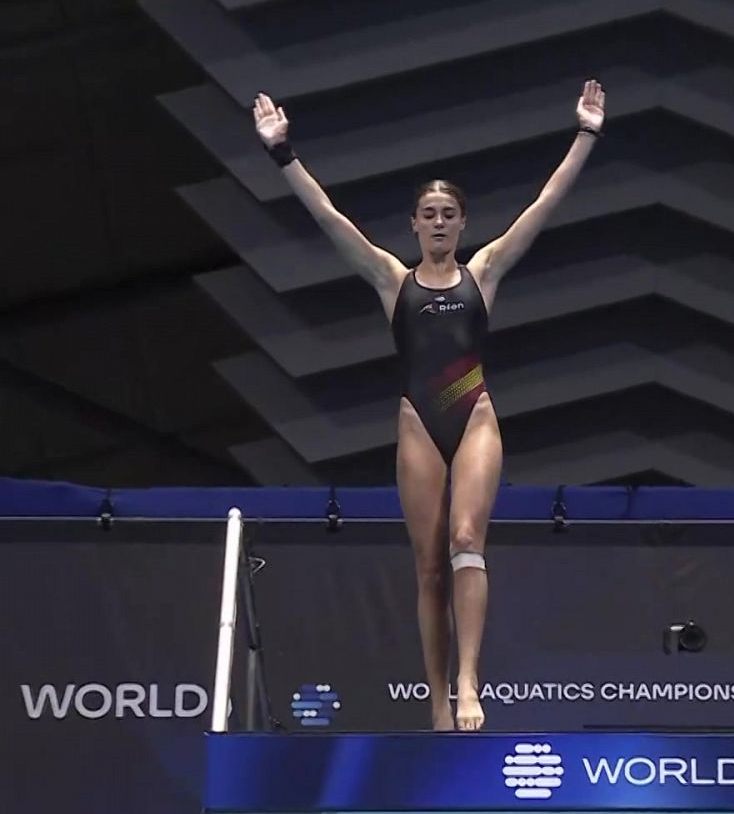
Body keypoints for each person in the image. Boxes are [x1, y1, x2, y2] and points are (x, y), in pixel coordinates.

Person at [252, 80, 605, 730]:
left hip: (472, 415)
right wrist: (282, 153)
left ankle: (470, 684)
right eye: (429, 214)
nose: (439, 222)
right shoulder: (391, 278)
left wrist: (585, 134)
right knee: (427, 566)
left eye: (449, 214)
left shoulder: (486, 271)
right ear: (414, 225)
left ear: (463, 223)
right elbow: (329, 218)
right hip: (418, 420)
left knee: (468, 539)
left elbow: (546, 202)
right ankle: (439, 706)